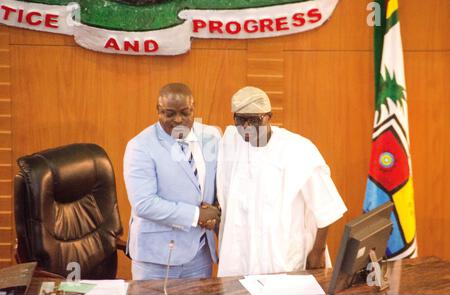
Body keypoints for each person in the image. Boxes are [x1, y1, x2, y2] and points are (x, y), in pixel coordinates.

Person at [216, 86, 347, 277]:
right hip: (242, 255)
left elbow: (326, 208)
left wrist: (317, 252)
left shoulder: (298, 149)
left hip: (282, 255)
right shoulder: (230, 143)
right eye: (240, 120)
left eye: (254, 120)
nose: (246, 127)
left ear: (269, 116)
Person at [124, 83, 221, 280]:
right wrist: (197, 215)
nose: (178, 120)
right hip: (157, 260)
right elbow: (144, 204)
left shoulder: (211, 136)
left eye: (185, 112)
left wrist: (215, 210)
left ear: (194, 108)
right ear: (158, 111)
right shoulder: (140, 146)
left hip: (200, 254)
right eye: (169, 114)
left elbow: (219, 184)